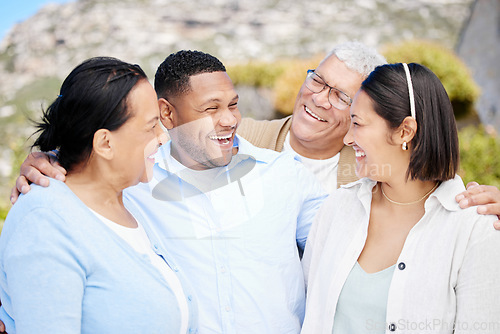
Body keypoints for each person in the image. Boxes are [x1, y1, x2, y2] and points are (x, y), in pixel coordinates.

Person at [2, 51, 327, 333]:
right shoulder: (130, 184)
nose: (229, 119)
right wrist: (52, 163)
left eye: (233, 105)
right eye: (210, 108)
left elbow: (347, 245)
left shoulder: (285, 174)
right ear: (167, 113)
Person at [0, 57, 198, 333]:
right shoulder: (45, 223)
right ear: (105, 142)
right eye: (151, 125)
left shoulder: (127, 196)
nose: (163, 136)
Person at [301, 63, 500, 333]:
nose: (348, 138)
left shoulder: (473, 229)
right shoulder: (338, 207)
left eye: (357, 124)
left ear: (405, 131)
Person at [237, 41, 500, 224]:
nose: (319, 99)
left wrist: (487, 205)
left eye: (341, 96)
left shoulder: (374, 169)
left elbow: (436, 196)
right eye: (317, 80)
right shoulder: (242, 138)